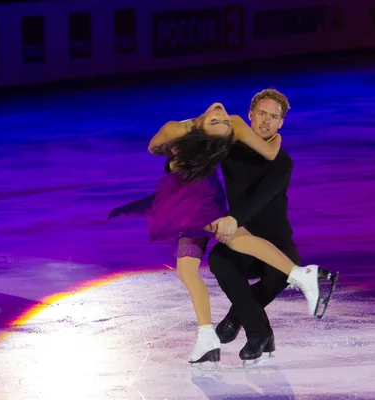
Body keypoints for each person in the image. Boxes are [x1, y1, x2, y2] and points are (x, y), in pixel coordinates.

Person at [107, 102, 324, 365]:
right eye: (217, 120)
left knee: (232, 237)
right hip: (181, 203)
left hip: (202, 201)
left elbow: (268, 153)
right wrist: (175, 157)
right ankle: (207, 336)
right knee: (187, 271)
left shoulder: (227, 127)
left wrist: (276, 137)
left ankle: (300, 275)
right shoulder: (177, 129)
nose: (222, 116)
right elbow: (154, 148)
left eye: (223, 122)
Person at [208, 89, 337, 363]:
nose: (266, 121)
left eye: (273, 117)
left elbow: (259, 199)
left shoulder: (283, 162)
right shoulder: (228, 149)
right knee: (219, 259)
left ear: (281, 124)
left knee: (281, 273)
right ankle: (260, 333)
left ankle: (242, 322)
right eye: (262, 114)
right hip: (242, 240)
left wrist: (233, 218)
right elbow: (197, 159)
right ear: (250, 116)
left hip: (277, 244)